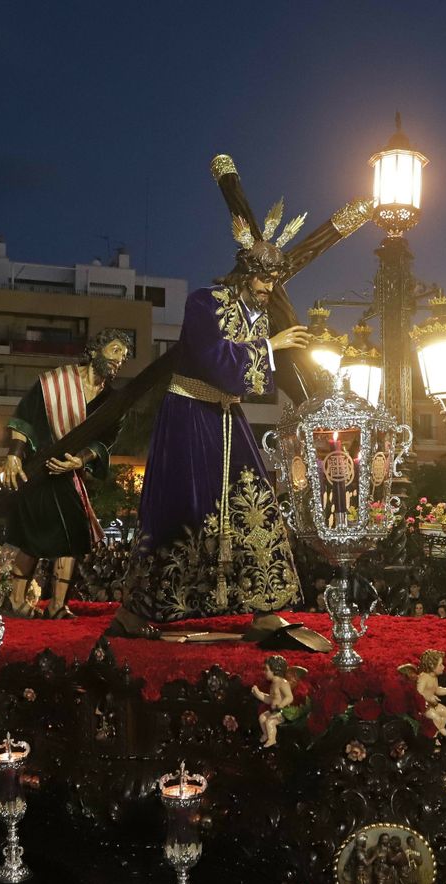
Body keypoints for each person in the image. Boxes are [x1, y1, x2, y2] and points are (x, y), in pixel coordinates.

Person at [115, 196, 334, 642]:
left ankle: (266, 607)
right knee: (182, 507)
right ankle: (138, 611)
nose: (268, 288)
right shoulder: (204, 302)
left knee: (255, 498)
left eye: (273, 280)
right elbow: (215, 360)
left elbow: (255, 379)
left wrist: (312, 395)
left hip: (228, 417)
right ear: (244, 271)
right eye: (262, 278)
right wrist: (271, 346)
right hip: (188, 414)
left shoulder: (258, 318)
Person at [0, 329, 134, 619]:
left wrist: (79, 461)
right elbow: (24, 418)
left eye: (123, 357)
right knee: (31, 537)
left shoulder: (112, 401)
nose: (119, 360)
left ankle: (58, 606)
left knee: (72, 537)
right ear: (95, 350)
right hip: (38, 470)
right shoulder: (55, 383)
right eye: (115, 351)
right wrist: (14, 455)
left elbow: (105, 440)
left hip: (70, 476)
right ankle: (16, 601)